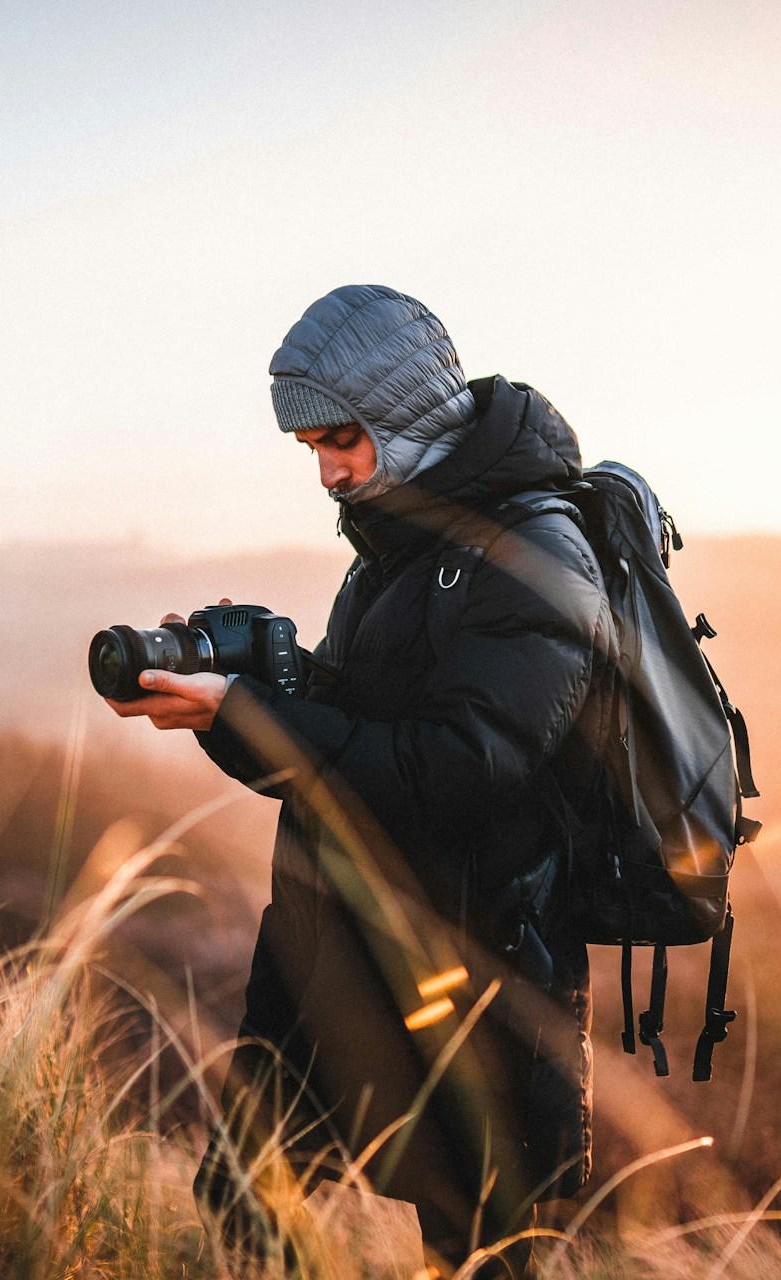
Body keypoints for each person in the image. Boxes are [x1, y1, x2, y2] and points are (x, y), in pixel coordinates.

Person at [104, 284, 607, 1278]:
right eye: (314, 449)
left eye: (344, 438)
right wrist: (234, 694)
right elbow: (349, 743)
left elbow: (460, 770)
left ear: (409, 414)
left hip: (473, 975)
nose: (330, 470)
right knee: (245, 1210)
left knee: (478, 1255)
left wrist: (250, 712)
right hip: (330, 952)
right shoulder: (395, 544)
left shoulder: (533, 553)